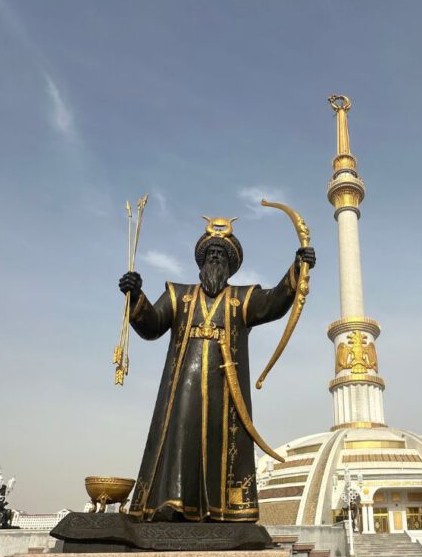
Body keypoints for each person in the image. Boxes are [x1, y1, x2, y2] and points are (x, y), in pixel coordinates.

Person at [119, 217, 315, 522]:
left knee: (220, 442)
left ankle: (219, 508)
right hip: (184, 382)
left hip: (224, 387)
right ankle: (176, 502)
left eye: (221, 255)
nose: (215, 257)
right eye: (210, 253)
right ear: (201, 262)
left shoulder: (242, 298)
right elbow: (152, 325)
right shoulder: (178, 295)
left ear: (229, 265)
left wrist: (296, 269)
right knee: (182, 432)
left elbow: (275, 302)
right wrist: (136, 296)